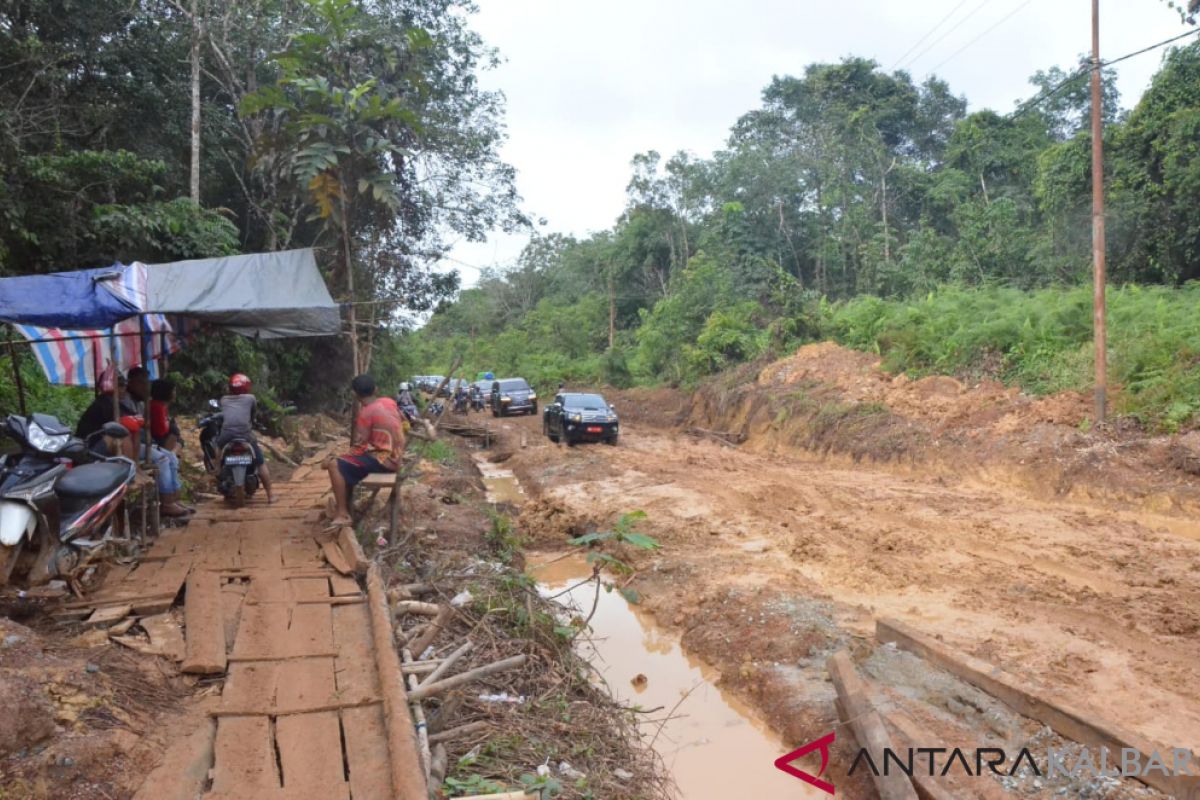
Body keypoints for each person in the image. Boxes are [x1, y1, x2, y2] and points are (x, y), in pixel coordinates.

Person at [326, 374, 404, 527]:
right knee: (347, 463)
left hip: (385, 461)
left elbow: (360, 446)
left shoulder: (365, 413)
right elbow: (403, 421)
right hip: (397, 457)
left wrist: (338, 456)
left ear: (354, 395)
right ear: (376, 389)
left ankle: (342, 513)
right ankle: (347, 506)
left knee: (334, 465)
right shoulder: (389, 402)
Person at [216, 373, 274, 504]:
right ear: (247, 387)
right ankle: (270, 495)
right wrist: (251, 422)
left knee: (218, 447)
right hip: (245, 434)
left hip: (227, 434)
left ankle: (217, 467)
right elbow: (252, 414)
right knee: (260, 462)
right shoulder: (251, 398)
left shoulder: (224, 399)